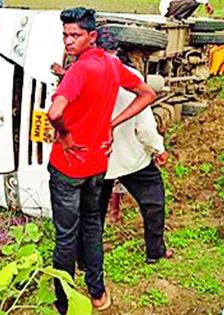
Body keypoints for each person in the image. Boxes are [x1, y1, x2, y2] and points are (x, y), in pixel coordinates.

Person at [47, 7, 156, 313]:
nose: (69, 41)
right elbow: (147, 94)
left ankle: (64, 301)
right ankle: (97, 294)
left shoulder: (80, 69)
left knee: (66, 236)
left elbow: (54, 113)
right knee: (93, 226)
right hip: (98, 164)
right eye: (65, 35)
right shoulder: (111, 64)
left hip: (69, 167)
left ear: (91, 36)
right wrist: (112, 123)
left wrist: (66, 139)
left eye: (75, 35)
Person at [95, 29, 174, 264]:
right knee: (153, 202)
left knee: (93, 213)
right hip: (130, 158)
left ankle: (86, 258)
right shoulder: (129, 76)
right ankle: (155, 251)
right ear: (116, 52)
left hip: (97, 160)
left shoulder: (82, 75)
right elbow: (146, 127)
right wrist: (158, 149)